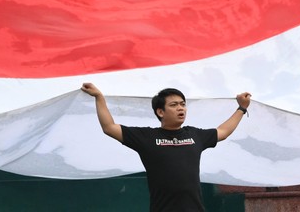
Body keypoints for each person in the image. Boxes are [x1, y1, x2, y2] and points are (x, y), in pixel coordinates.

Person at [81, 82, 251, 212]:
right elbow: (109, 127)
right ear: (160, 112)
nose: (180, 108)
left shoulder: (195, 135)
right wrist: (99, 97)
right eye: (174, 105)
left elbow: (223, 131)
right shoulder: (147, 137)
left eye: (183, 104)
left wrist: (241, 108)